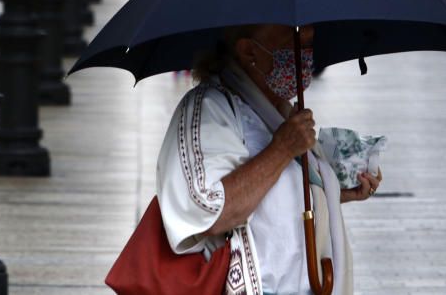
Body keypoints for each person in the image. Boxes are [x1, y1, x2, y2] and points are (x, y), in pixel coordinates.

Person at [157, 24, 380, 295]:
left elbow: (273, 199)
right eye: (293, 42)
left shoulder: (277, 111)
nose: (305, 55)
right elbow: (211, 212)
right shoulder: (209, 109)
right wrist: (282, 149)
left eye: (309, 44)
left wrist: (334, 191)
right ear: (248, 49)